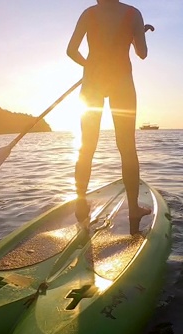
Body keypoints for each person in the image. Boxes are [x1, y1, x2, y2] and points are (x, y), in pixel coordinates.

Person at [67, 0, 152, 224]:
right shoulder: (133, 14)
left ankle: (80, 203)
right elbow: (142, 53)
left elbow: (71, 51)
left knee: (87, 146)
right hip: (122, 84)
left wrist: (90, 66)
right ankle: (133, 208)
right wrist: (136, 35)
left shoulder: (89, 13)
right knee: (127, 147)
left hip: (92, 83)